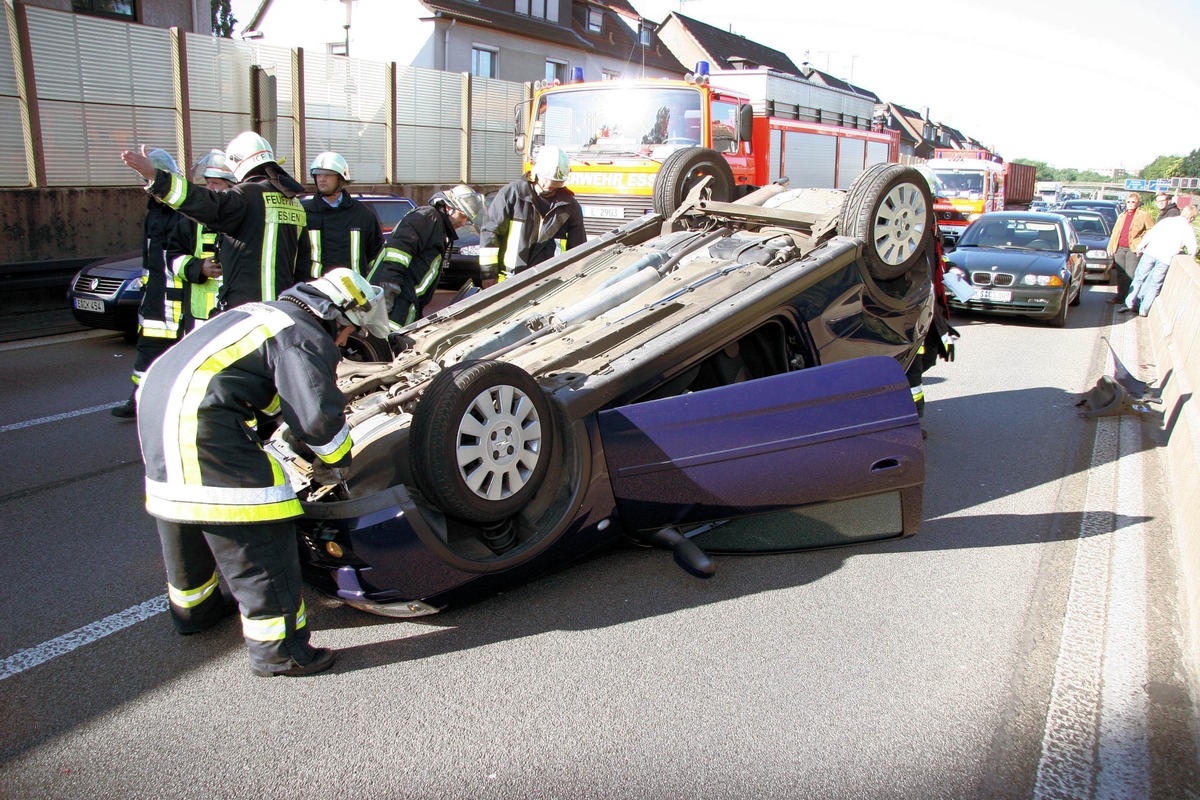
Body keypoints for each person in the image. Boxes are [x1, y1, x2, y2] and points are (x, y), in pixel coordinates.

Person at [136, 268, 389, 677]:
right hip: (205, 429)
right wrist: (340, 460)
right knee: (261, 531)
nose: (344, 344)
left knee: (186, 515)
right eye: (347, 334)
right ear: (339, 319)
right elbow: (318, 423)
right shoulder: (304, 335)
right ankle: (281, 651)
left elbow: (257, 390)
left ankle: (195, 612)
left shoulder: (263, 314)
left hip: (160, 418)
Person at [120, 131, 306, 314]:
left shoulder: (247, 196)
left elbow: (200, 201)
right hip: (284, 309)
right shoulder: (294, 202)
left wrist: (155, 176)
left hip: (248, 311)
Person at [112, 149, 185, 419]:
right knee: (146, 355)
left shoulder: (184, 211)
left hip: (180, 301)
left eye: (151, 181)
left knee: (183, 357)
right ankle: (138, 401)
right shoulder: (154, 210)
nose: (148, 188)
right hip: (155, 301)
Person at [367, 184, 485, 327]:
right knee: (386, 342)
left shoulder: (439, 227)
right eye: (462, 215)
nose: (463, 222)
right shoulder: (428, 217)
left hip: (407, 301)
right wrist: (389, 287)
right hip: (395, 299)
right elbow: (398, 249)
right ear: (449, 207)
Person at [478, 145, 586, 280]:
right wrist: (488, 274)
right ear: (536, 173)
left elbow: (578, 247)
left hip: (551, 278)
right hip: (510, 277)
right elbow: (490, 233)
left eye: (555, 184)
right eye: (547, 181)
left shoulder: (570, 205)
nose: (549, 187)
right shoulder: (512, 194)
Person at [166, 150, 234, 333]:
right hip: (199, 320)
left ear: (233, 187)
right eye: (207, 182)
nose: (209, 188)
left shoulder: (246, 219)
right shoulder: (189, 221)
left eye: (216, 183)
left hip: (235, 316)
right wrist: (198, 267)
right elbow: (173, 257)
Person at [295, 151, 384, 278]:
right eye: (318, 174)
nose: (321, 179)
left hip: (354, 292)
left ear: (341, 179)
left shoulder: (362, 215)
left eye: (328, 175)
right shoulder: (303, 212)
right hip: (313, 292)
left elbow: (376, 257)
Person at [1125, 202, 1197, 317]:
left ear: (1183, 212)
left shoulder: (1166, 221)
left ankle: (1130, 302)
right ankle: (1143, 310)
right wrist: (1191, 256)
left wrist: (1140, 247)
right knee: (1155, 284)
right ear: (1192, 217)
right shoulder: (1187, 229)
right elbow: (1192, 248)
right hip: (1165, 258)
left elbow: (1151, 234)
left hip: (1150, 252)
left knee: (1139, 278)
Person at [1105, 192, 1154, 306]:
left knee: (1131, 274)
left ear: (1137, 203)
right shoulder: (1122, 215)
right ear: (1126, 203)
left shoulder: (1143, 215)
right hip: (1119, 248)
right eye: (1129, 202)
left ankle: (1129, 298)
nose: (1131, 204)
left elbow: (1151, 230)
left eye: (1133, 202)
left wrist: (1142, 242)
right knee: (1120, 274)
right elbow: (1115, 232)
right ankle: (1119, 297)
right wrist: (1111, 247)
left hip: (1133, 248)